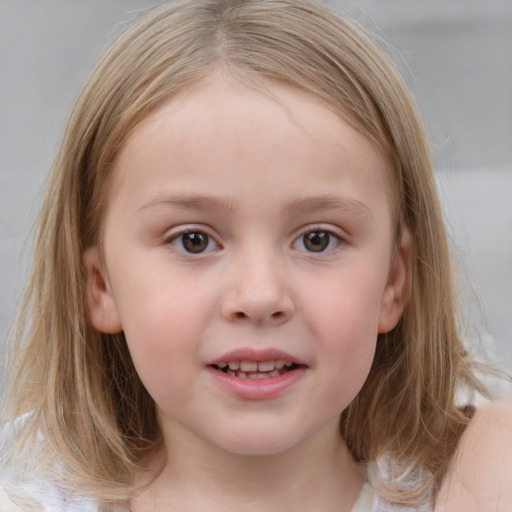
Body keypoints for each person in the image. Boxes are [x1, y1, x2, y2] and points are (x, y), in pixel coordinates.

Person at [1, 1, 511, 510]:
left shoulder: (477, 485)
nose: (260, 295)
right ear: (101, 286)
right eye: (193, 240)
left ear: (394, 281)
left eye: (318, 239)